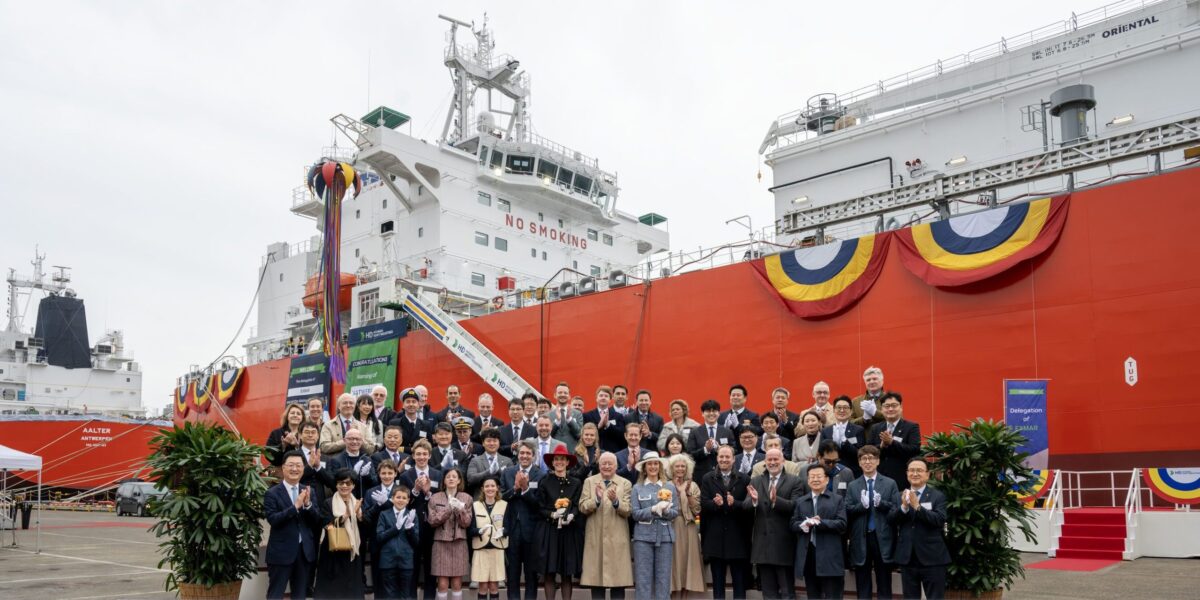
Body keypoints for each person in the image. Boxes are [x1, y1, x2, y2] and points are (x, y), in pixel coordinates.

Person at [888, 457, 950, 599]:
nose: (915, 474)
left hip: (933, 558)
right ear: (907, 473)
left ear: (928, 475)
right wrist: (903, 507)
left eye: (919, 470)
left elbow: (939, 520)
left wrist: (917, 507)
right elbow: (891, 520)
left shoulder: (937, 496)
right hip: (907, 558)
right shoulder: (899, 496)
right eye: (912, 470)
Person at [745, 448, 801, 600]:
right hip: (762, 546)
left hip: (784, 544)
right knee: (768, 594)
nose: (772, 462)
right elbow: (745, 507)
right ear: (765, 462)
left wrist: (777, 501)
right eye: (769, 460)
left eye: (776, 459)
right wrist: (754, 501)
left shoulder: (794, 481)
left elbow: (796, 506)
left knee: (787, 592)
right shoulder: (756, 481)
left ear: (783, 461)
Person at [265, 451, 321, 600]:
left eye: (298, 465)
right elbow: (273, 519)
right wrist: (295, 507)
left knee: (300, 595)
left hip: (304, 553)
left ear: (303, 468)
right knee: (275, 594)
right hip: (280, 553)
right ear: (283, 468)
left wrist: (308, 504)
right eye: (291, 465)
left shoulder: (309, 490)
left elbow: (316, 520)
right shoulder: (272, 493)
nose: (294, 469)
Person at [846, 445, 900, 600]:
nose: (867, 462)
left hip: (882, 537)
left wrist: (881, 504)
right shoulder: (853, 485)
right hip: (861, 538)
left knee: (884, 580)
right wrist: (861, 506)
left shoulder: (890, 483)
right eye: (864, 459)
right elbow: (847, 509)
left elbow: (896, 509)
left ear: (878, 461)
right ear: (859, 462)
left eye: (871, 458)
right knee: (862, 580)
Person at [579, 452, 634, 599]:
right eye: (604, 463)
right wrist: (596, 500)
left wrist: (616, 501)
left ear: (616, 466)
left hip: (617, 538)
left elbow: (628, 510)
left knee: (618, 583)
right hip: (595, 537)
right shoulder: (589, 482)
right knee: (596, 583)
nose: (607, 466)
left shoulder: (625, 483)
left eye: (610, 464)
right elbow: (582, 507)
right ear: (599, 465)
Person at [700, 445, 751, 600]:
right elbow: (704, 504)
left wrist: (733, 503)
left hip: (738, 538)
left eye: (727, 457)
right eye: (721, 456)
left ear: (734, 459)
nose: (724, 460)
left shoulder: (744, 479)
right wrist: (717, 504)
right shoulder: (708, 478)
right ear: (717, 458)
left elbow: (748, 507)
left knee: (739, 584)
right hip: (715, 538)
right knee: (718, 584)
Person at [790, 463, 847, 600]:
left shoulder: (837, 499)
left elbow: (842, 524)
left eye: (819, 476)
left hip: (830, 556)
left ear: (827, 479)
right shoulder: (801, 501)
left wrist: (820, 523)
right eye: (812, 477)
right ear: (808, 480)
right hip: (808, 554)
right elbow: (793, 524)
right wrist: (804, 524)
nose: (815, 480)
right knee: (812, 595)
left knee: (832, 595)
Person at [536, 445, 584, 600]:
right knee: (549, 573)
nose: (559, 462)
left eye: (562, 459)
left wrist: (572, 515)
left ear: (567, 462)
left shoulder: (576, 482)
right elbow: (540, 507)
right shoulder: (545, 481)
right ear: (553, 462)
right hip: (550, 531)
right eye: (557, 459)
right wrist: (552, 514)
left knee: (566, 573)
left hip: (568, 532)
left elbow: (577, 505)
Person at [500, 440, 545, 600]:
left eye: (528, 453)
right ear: (517, 455)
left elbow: (540, 504)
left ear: (533, 456)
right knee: (512, 573)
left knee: (531, 575)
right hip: (511, 529)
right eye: (522, 453)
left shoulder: (540, 475)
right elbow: (502, 497)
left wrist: (525, 490)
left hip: (532, 530)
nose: (524, 456)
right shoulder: (508, 472)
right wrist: (515, 489)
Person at [398, 440, 443, 599]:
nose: (421, 457)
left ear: (430, 455)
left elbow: (441, 501)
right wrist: (416, 491)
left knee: (431, 566)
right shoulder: (405, 476)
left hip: (433, 526)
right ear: (413, 455)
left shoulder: (438, 474)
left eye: (425, 454)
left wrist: (428, 493)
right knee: (412, 565)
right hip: (413, 526)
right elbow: (402, 502)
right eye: (418, 454)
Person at [631, 451, 679, 600]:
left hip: (664, 537)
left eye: (655, 463)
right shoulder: (637, 488)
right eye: (649, 464)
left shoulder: (669, 487)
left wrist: (664, 510)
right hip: (643, 538)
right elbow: (635, 514)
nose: (653, 466)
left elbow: (675, 512)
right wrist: (652, 509)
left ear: (660, 466)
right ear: (644, 468)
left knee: (663, 580)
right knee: (643, 580)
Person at [314, 469, 365, 599]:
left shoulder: (357, 502)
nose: (344, 486)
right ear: (336, 485)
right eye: (340, 483)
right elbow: (326, 523)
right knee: (332, 589)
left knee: (351, 588)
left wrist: (359, 516)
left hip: (352, 552)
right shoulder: (328, 502)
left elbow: (365, 529)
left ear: (353, 485)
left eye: (348, 483)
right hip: (332, 552)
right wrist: (345, 516)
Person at [427, 468, 473, 600]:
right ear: (444, 480)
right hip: (441, 543)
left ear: (459, 480)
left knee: (457, 583)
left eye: (454, 477)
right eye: (448, 477)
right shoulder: (435, 498)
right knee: (442, 583)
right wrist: (448, 509)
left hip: (459, 543)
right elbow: (432, 521)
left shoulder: (467, 498)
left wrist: (460, 510)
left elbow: (466, 523)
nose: (451, 479)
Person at [667, 454, 706, 599]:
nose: (680, 469)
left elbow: (697, 510)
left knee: (687, 563)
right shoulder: (666, 484)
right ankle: (673, 595)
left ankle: (684, 596)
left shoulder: (693, 485)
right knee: (674, 563)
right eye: (677, 466)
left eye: (683, 466)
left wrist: (688, 494)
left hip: (688, 527)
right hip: (671, 526)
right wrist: (675, 493)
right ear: (672, 468)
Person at [866, 392, 921, 491]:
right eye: (887, 406)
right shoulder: (875, 428)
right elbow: (868, 451)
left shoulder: (911, 426)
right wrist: (881, 446)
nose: (890, 409)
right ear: (882, 409)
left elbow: (915, 450)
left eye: (894, 405)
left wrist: (892, 442)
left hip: (902, 478)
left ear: (901, 407)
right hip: (879, 478)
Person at [364, 459, 402, 595]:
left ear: (395, 473)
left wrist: (387, 503)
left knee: (396, 580)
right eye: (383, 473)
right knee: (378, 579)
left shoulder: (401, 491)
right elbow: (366, 517)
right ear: (379, 474)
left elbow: (403, 514)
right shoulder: (371, 492)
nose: (386, 476)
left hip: (397, 541)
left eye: (390, 473)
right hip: (378, 541)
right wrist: (377, 505)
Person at [376, 486, 420, 600]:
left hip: (406, 560)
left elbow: (416, 542)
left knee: (406, 595)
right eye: (398, 497)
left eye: (404, 498)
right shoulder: (384, 514)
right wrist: (395, 528)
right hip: (388, 560)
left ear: (408, 500)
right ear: (392, 499)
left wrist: (409, 529)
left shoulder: (412, 515)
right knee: (389, 595)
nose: (400, 500)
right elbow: (379, 537)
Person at [471, 476, 508, 600]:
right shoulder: (475, 505)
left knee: (493, 586)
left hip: (497, 549)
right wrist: (479, 531)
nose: (490, 488)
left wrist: (503, 531)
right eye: (487, 486)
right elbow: (470, 529)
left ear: (497, 488)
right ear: (482, 489)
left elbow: (509, 527)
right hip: (481, 549)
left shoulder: (504, 505)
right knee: (482, 586)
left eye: (493, 486)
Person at [685, 399, 735, 483]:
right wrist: (705, 449)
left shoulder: (727, 431)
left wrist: (720, 449)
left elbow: (735, 451)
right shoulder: (695, 432)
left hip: (723, 474)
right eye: (708, 411)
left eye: (714, 411)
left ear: (719, 413)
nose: (711, 413)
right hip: (701, 476)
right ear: (703, 414)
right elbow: (690, 455)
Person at [325, 429, 375, 499]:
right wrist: (353, 473)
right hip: (344, 500)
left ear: (362, 441)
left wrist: (367, 476)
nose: (354, 442)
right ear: (344, 440)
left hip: (364, 500)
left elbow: (375, 483)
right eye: (351, 439)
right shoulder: (335, 460)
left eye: (357, 439)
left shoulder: (367, 459)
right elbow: (332, 484)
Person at [823, 396, 865, 478]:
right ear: (834, 410)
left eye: (845, 408)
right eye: (839, 408)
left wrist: (845, 442)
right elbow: (822, 453)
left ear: (851, 411)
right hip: (830, 473)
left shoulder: (858, 430)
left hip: (852, 473)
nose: (842, 410)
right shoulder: (826, 431)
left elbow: (860, 454)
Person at [583, 385, 627, 453]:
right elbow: (584, 434)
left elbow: (622, 435)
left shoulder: (618, 416)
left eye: (606, 396)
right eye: (601, 395)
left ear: (610, 399)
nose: (603, 398)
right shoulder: (587, 415)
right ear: (596, 398)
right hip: (593, 452)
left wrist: (608, 425)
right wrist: (598, 426)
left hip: (613, 453)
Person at [391, 388, 436, 454]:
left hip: (419, 460)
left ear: (418, 405)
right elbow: (391, 446)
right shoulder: (395, 424)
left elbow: (430, 447)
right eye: (408, 401)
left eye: (414, 402)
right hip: (401, 459)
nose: (411, 404)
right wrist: (411, 449)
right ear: (403, 405)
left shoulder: (426, 425)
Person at [851, 366, 887, 431]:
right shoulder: (855, 401)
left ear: (882, 381)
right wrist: (864, 419)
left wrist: (875, 412)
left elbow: (897, 419)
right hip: (863, 440)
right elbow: (849, 423)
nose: (871, 382)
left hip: (885, 439)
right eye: (868, 380)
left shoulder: (891, 399)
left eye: (875, 379)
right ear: (865, 382)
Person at [550, 381, 585, 449]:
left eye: (565, 393)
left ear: (569, 396)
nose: (562, 394)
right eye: (560, 392)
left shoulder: (578, 414)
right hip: (554, 452)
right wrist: (557, 422)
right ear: (555, 395)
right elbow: (546, 435)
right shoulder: (548, 415)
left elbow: (580, 435)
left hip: (572, 453)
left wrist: (569, 419)